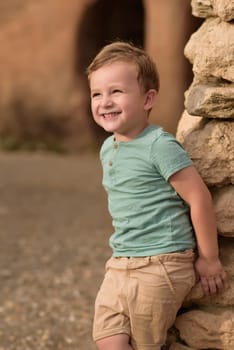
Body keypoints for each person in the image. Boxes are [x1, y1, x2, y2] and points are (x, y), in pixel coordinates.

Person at [86, 41, 226, 350]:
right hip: (121, 260)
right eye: (97, 93)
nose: (105, 102)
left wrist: (209, 258)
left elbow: (198, 198)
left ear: (148, 99)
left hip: (161, 262)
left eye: (116, 92)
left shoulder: (159, 146)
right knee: (107, 337)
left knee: (144, 343)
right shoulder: (109, 147)